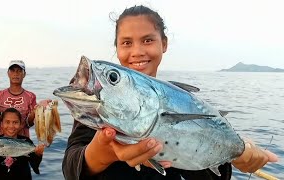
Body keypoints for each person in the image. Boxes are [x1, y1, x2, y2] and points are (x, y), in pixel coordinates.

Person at [62, 5, 278, 180]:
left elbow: (213, 177)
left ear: (163, 44)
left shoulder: (185, 102)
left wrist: (239, 152)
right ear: (117, 48)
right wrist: (101, 153)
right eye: (126, 43)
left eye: (148, 40)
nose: (137, 51)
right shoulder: (98, 109)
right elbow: (70, 170)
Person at [0, 60, 50, 137]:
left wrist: (37, 109)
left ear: (24, 74)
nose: (16, 74)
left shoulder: (31, 96)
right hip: (1, 142)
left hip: (23, 142)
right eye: (12, 70)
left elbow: (29, 123)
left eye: (19, 71)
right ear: (8, 73)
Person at [0, 107, 45, 180]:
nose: (11, 126)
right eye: (7, 122)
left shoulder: (26, 141)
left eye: (15, 122)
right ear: (1, 124)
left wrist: (38, 154)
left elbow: (34, 165)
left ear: (21, 124)